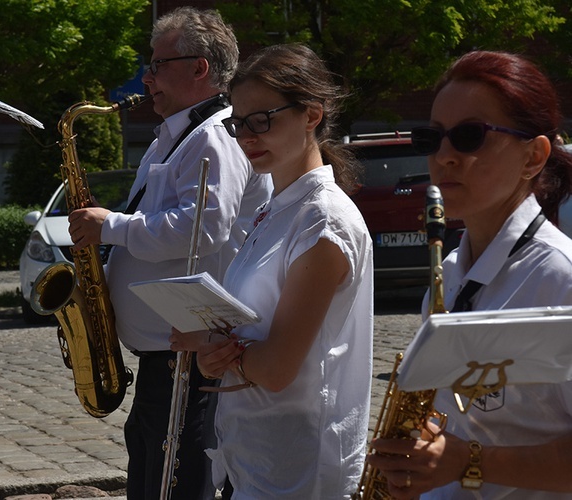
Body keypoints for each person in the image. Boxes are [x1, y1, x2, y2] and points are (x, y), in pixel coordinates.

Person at [68, 7, 272, 500]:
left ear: (199, 67)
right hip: (165, 352)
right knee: (149, 473)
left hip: (187, 356)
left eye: (157, 64)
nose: (147, 76)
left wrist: (110, 227)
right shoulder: (179, 135)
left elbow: (203, 230)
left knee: (175, 484)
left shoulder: (215, 136)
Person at [170, 44, 374, 498]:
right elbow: (250, 333)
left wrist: (212, 345)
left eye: (263, 119)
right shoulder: (274, 209)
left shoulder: (323, 218)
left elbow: (279, 367)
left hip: (301, 465)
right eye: (238, 123)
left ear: (311, 115)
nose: (247, 136)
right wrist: (214, 357)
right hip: (257, 456)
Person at [368, 50, 572, 499]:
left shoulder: (562, 280)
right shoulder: (453, 271)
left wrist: (467, 462)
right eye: (432, 138)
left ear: (534, 156)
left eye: (469, 136)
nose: (444, 157)